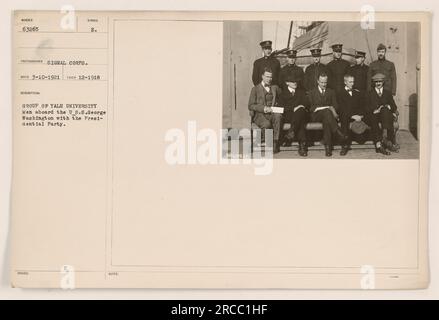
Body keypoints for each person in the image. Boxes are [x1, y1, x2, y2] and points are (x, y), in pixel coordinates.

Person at [308, 73, 347, 157]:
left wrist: (329, 108)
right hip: (316, 116)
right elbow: (311, 108)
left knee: (327, 120)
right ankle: (338, 133)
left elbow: (336, 106)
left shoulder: (331, 92)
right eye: (322, 82)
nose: (323, 84)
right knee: (327, 112)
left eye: (325, 82)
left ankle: (328, 147)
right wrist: (327, 107)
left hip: (328, 117)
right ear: (318, 81)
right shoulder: (312, 92)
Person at [248, 68, 283, 153]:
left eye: (271, 77)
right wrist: (263, 108)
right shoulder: (255, 89)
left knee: (278, 116)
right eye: (267, 77)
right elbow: (251, 105)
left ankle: (275, 142)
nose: (269, 79)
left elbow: (283, 97)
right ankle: (264, 140)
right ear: (262, 76)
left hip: (272, 112)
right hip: (260, 114)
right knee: (266, 124)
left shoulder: (275, 88)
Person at [365, 73, 399, 155]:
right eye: (376, 82)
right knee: (375, 118)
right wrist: (374, 111)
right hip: (374, 116)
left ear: (383, 82)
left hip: (385, 116)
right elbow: (366, 107)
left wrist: (388, 106)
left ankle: (384, 141)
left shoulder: (387, 93)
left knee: (384, 110)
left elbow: (394, 106)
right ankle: (381, 144)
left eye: (380, 81)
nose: (378, 83)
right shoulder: (369, 93)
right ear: (374, 83)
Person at [279, 74, 309, 156]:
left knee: (301, 111)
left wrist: (299, 107)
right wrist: (293, 108)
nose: (295, 83)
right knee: (300, 119)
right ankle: (302, 145)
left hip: (300, 114)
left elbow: (306, 103)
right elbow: (281, 108)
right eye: (292, 81)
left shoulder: (301, 92)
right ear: (287, 83)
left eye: (296, 81)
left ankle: (291, 131)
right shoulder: (283, 94)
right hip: (289, 116)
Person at [336, 74, 366, 156]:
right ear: (345, 82)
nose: (352, 84)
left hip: (357, 115)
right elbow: (341, 108)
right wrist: (352, 116)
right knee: (344, 118)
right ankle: (344, 145)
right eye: (350, 82)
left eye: (353, 82)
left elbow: (361, 106)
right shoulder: (340, 93)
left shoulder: (357, 93)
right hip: (346, 116)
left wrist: (360, 116)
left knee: (369, 114)